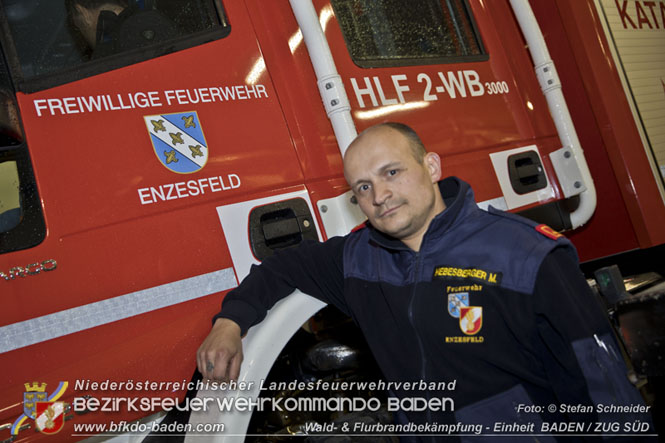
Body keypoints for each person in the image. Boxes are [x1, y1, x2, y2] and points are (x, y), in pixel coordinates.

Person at [197, 122, 653, 440]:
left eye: (391, 172)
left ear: (431, 167)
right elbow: (279, 269)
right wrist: (229, 323)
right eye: (362, 187)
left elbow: (604, 391)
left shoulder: (527, 255)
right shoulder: (359, 260)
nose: (379, 196)